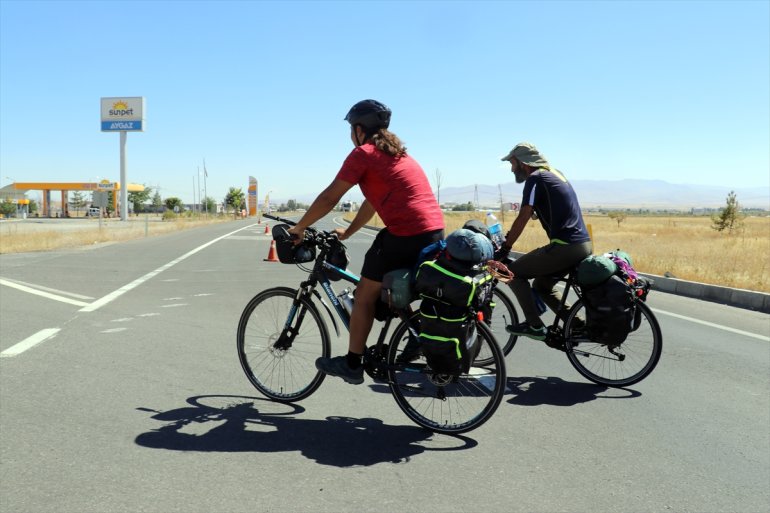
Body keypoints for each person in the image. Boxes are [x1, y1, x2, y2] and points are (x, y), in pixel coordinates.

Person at [287, 99, 445, 384]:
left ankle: (352, 363)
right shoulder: (400, 156)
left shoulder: (364, 154)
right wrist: (347, 233)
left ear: (359, 129)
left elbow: (329, 197)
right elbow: (372, 203)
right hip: (434, 232)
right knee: (391, 284)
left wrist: (300, 226)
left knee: (363, 295)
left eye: (350, 129)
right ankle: (415, 334)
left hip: (405, 234)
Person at [496, 142, 593, 341]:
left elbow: (523, 215)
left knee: (512, 274)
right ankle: (577, 326)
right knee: (541, 286)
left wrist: (506, 247)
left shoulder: (535, 178)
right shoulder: (556, 174)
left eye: (513, 163)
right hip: (583, 245)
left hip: (565, 247)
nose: (512, 168)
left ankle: (534, 325)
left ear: (523, 162)